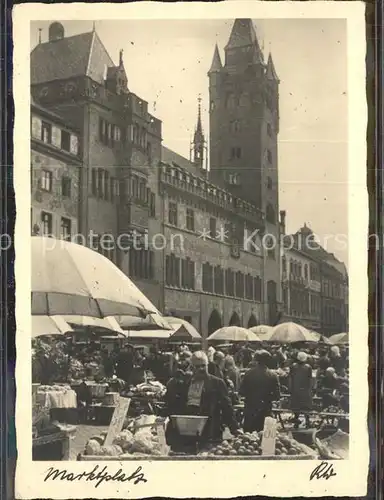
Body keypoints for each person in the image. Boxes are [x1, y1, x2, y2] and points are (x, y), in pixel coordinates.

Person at [164, 351, 240, 449]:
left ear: (208, 365)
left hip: (210, 430)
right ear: (191, 367)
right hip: (188, 431)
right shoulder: (184, 382)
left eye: (204, 366)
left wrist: (235, 429)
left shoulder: (217, 383)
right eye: (197, 366)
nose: (201, 369)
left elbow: (227, 407)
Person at [239, 350, 280, 432]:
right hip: (265, 410)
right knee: (263, 438)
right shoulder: (273, 376)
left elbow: (241, 391)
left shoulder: (248, 373)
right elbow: (277, 395)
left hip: (250, 409)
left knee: (248, 439)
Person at [289, 351, 313, 428]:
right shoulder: (308, 367)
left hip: (295, 389)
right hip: (305, 389)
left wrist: (291, 388)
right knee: (306, 406)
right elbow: (310, 379)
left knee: (296, 406)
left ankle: (296, 422)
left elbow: (290, 377)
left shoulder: (293, 366)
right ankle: (307, 422)